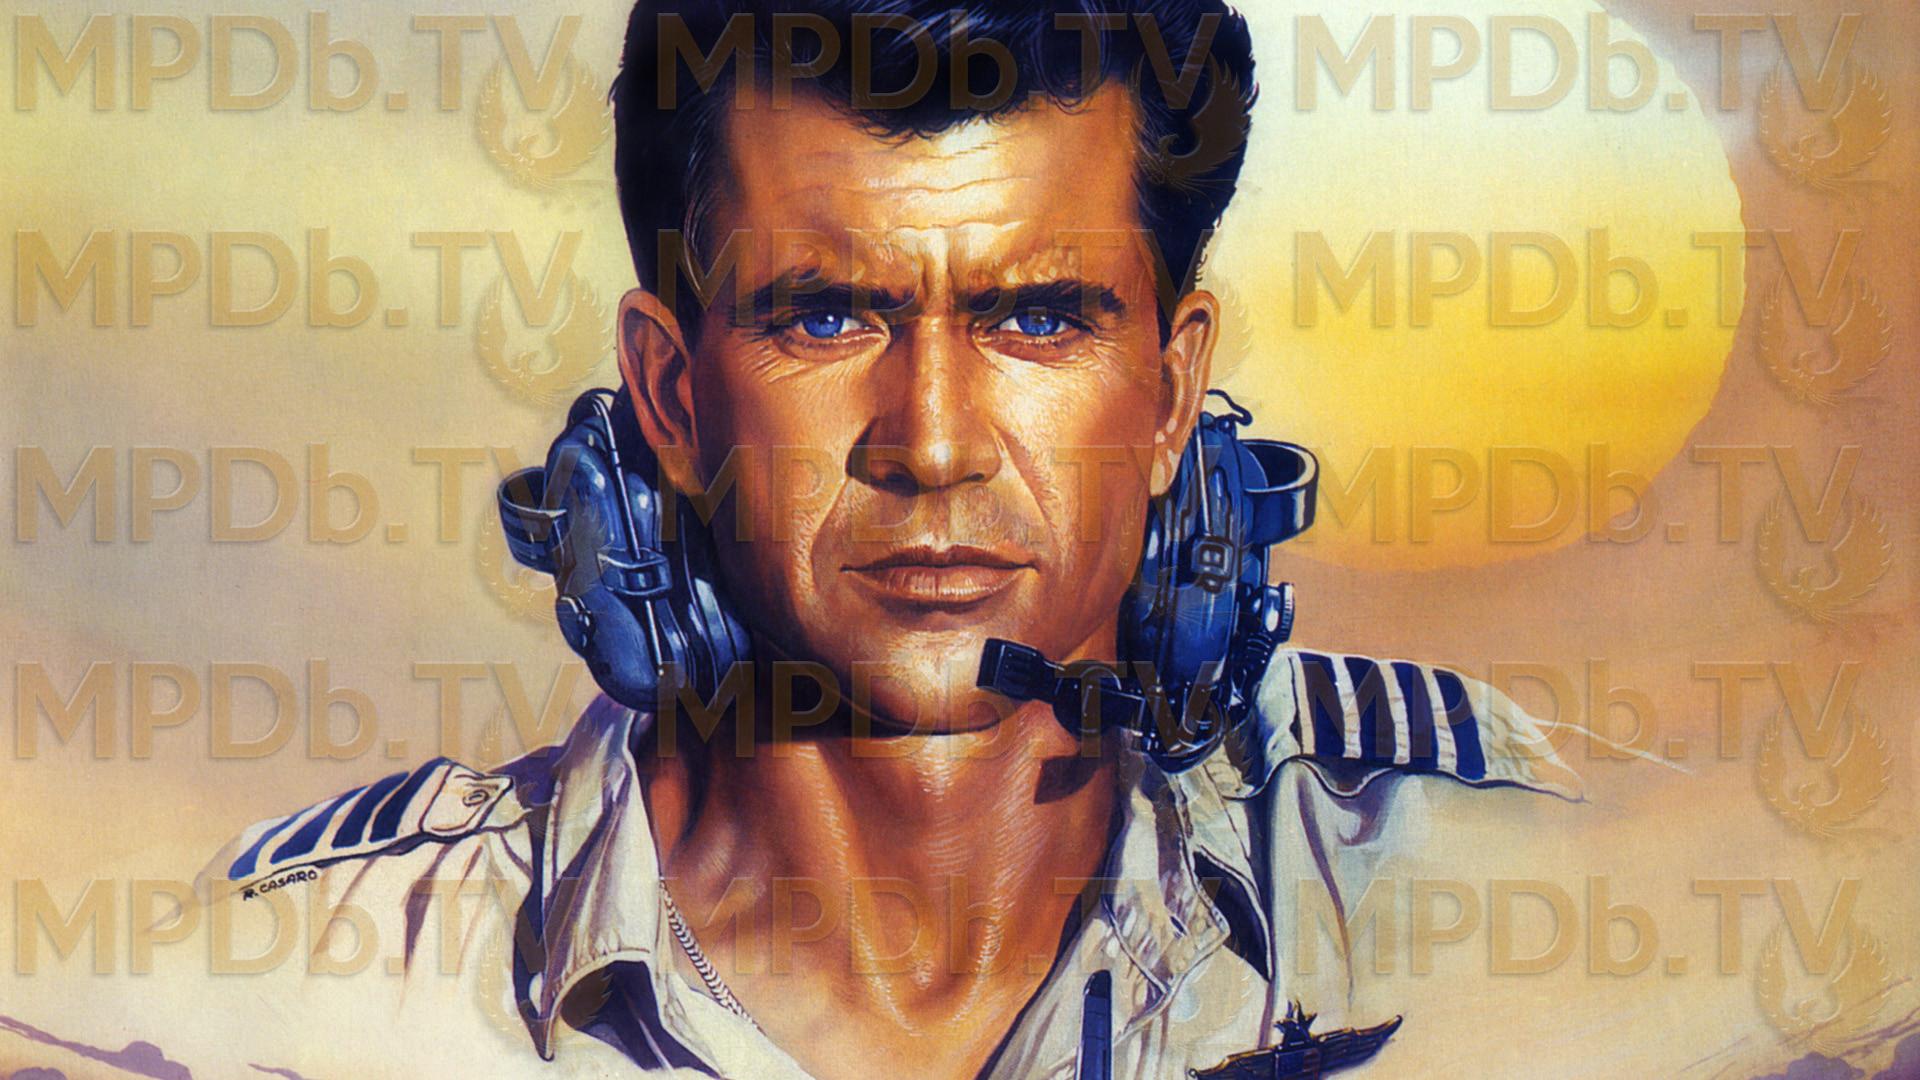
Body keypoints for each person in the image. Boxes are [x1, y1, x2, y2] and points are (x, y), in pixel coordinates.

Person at [205, 3, 1580, 1076]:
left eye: (1036, 317)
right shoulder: (294, 990)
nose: (930, 445)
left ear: (1170, 394)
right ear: (671, 397)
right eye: (824, 316)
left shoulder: (1521, 881)